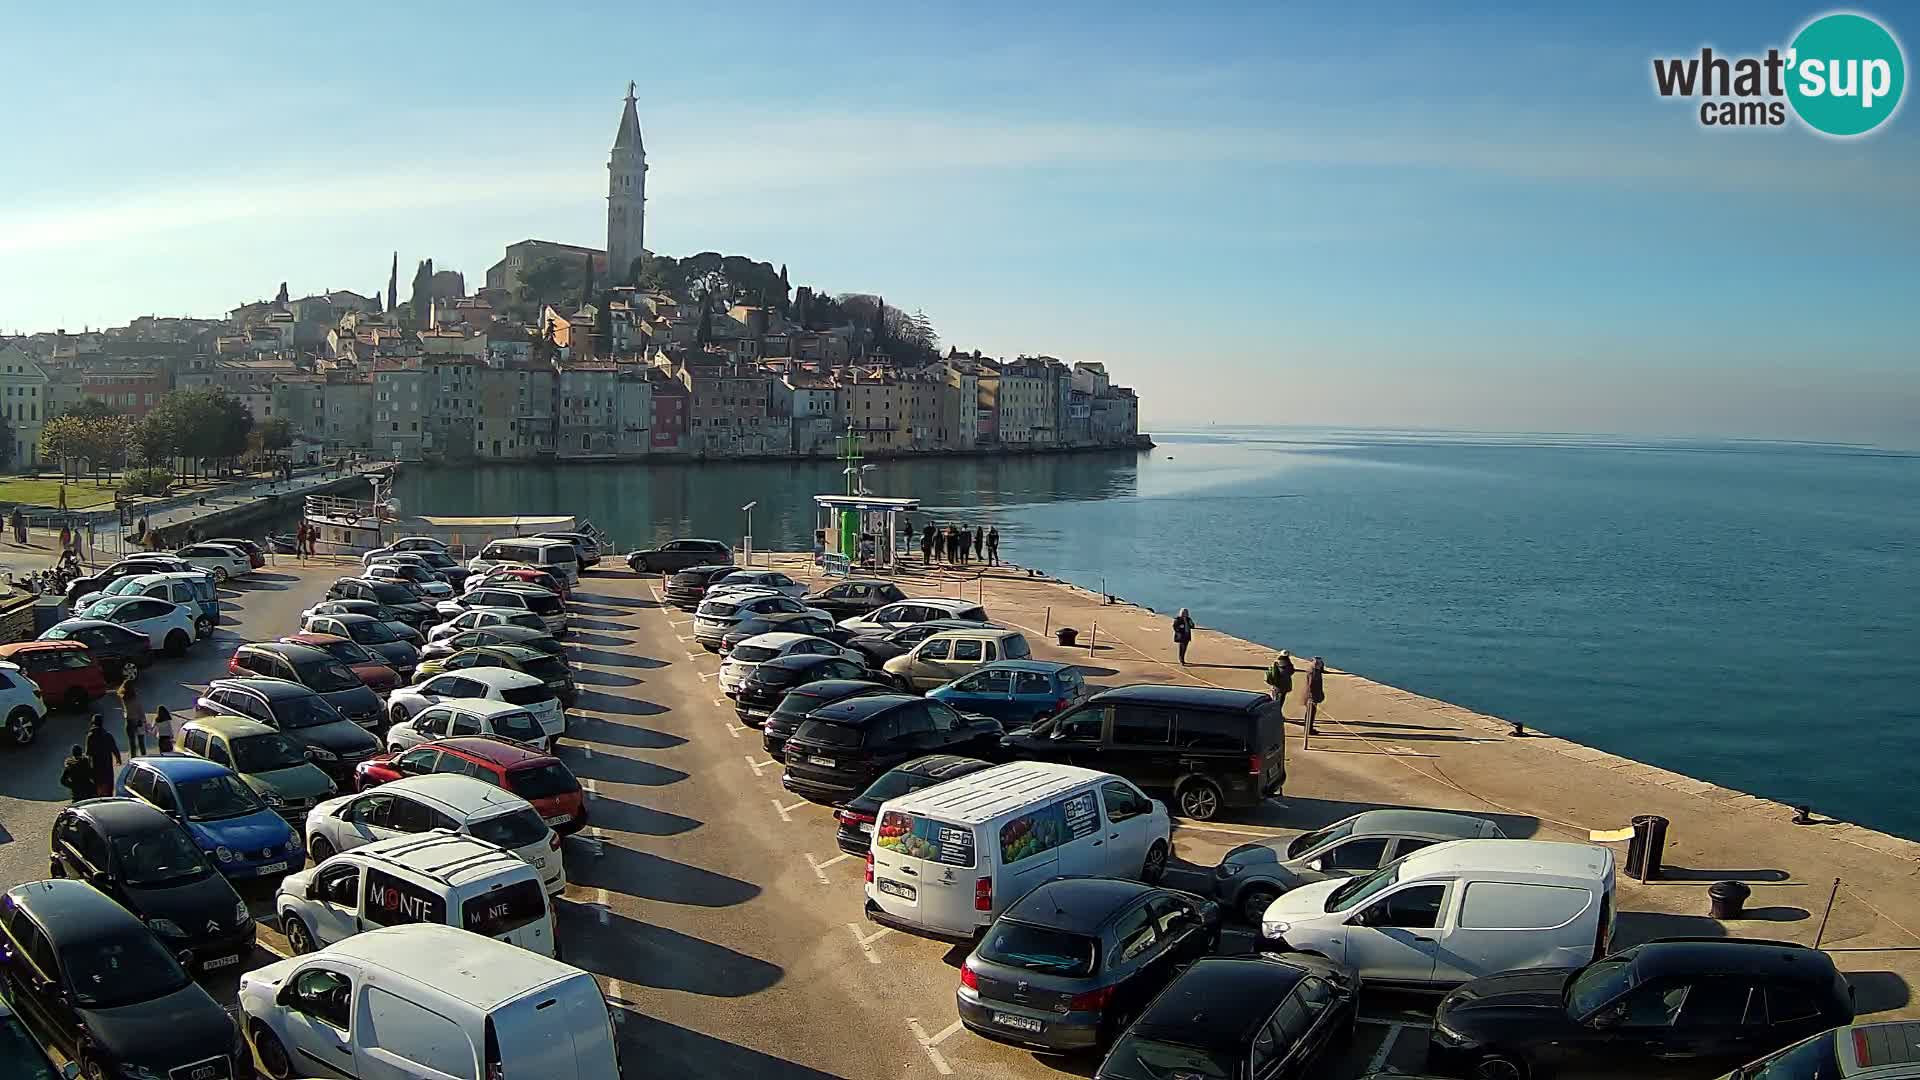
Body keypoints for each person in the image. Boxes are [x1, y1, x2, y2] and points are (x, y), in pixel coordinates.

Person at [84, 715, 120, 797]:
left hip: (96, 766)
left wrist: (88, 767)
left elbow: (88, 753)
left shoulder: (90, 736)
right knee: (108, 783)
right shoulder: (107, 735)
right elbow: (114, 748)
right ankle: (108, 799)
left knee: (98, 784)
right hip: (107, 764)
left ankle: (99, 798)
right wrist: (118, 758)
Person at [119, 671, 146, 756]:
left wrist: (124, 684)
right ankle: (143, 756)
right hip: (138, 721)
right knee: (141, 741)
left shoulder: (124, 698)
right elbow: (140, 710)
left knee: (132, 742)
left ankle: (133, 757)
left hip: (129, 721)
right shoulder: (135, 698)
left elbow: (119, 691)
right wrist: (144, 720)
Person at [1304, 656, 1327, 735]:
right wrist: (1312, 696)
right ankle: (1308, 730)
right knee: (1311, 713)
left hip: (1312, 695)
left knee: (1310, 713)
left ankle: (1308, 728)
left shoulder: (1313, 671)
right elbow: (1311, 685)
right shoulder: (1314, 673)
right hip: (1312, 696)